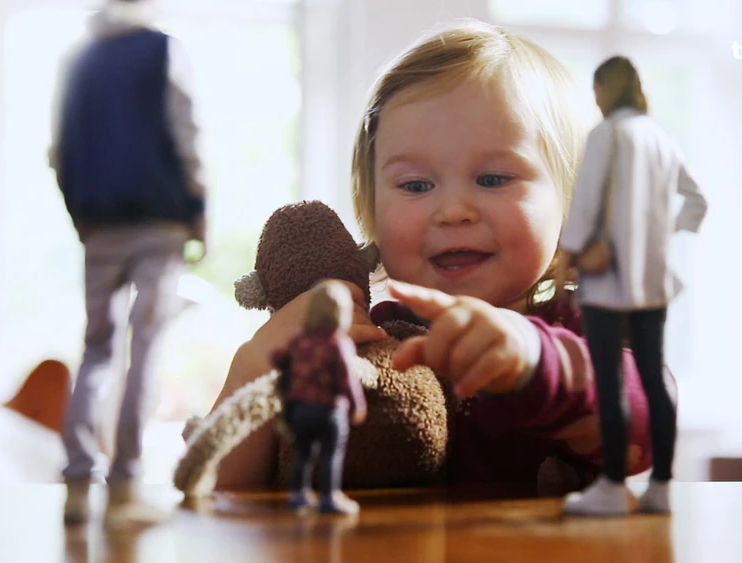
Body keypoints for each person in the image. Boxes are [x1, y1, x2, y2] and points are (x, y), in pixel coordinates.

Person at [208, 20, 671, 505]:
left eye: (492, 179)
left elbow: (646, 429)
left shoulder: (581, 327)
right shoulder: (371, 338)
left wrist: (534, 362)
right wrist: (256, 364)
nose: (452, 211)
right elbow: (222, 492)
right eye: (415, 186)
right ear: (373, 215)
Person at [49, 0, 208, 525]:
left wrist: (82, 218)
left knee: (97, 346)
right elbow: (186, 132)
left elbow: (60, 149)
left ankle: (78, 469)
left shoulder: (79, 60)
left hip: (99, 224)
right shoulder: (163, 50)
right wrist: (198, 210)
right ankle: (128, 475)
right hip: (160, 221)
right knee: (147, 344)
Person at [558, 56, 708, 516]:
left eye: (596, 88)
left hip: (608, 279)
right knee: (653, 378)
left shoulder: (608, 134)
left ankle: (612, 485)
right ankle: (661, 484)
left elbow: (585, 202)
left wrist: (570, 253)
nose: (595, 97)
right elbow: (698, 201)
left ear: (607, 88)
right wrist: (662, 231)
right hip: (653, 279)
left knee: (610, 380)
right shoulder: (661, 137)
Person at [272, 280, 368, 515]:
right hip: (328, 410)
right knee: (330, 454)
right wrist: (357, 405)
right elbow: (347, 379)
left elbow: (277, 357)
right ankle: (329, 497)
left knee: (302, 453)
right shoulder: (338, 343)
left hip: (301, 408)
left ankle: (298, 496)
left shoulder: (299, 341)